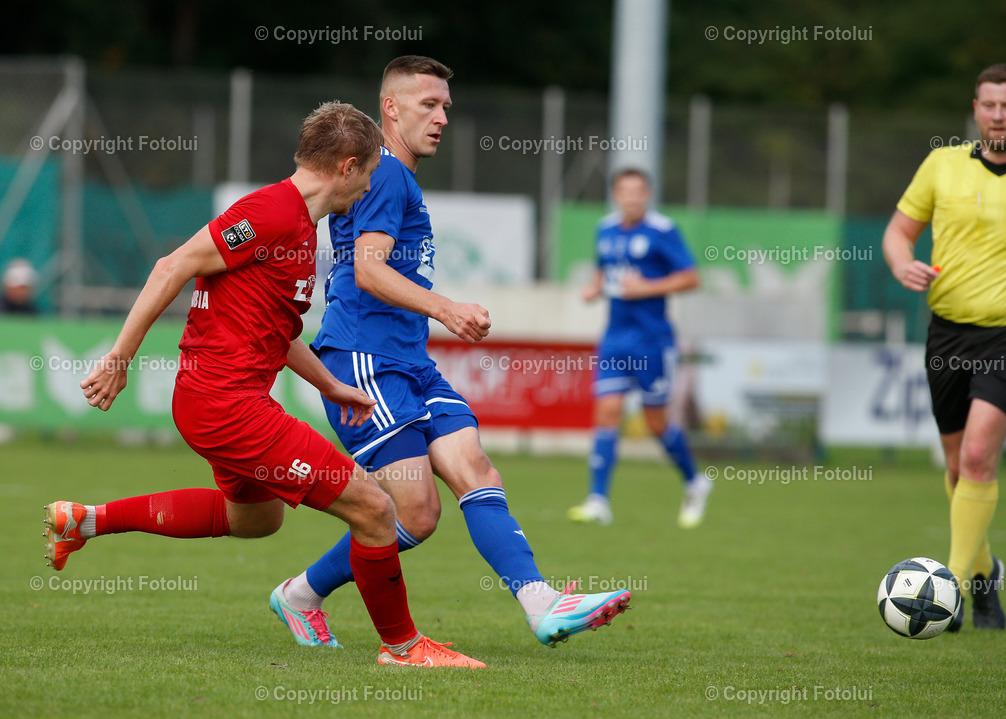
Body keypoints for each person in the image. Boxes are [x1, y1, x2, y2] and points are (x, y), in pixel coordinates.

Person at [43, 101, 484, 667]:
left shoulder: (300, 227)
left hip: (216, 403)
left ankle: (83, 521)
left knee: (255, 519)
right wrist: (119, 359)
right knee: (375, 508)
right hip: (226, 405)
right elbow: (170, 266)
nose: (373, 184)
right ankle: (403, 647)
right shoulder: (272, 212)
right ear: (348, 168)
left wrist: (331, 384)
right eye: (371, 172)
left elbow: (278, 330)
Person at [272, 56, 630, 649]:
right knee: (415, 512)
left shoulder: (392, 177)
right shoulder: (386, 174)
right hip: (365, 361)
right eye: (427, 105)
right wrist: (446, 307)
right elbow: (367, 271)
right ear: (390, 108)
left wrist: (433, 314)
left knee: (475, 469)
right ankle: (302, 594)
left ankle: (541, 603)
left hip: (410, 361)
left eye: (445, 108)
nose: (441, 118)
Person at [881, 63, 1006, 631]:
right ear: (975, 107)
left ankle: (952, 590)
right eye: (989, 105)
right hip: (947, 333)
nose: (998, 115)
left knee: (979, 457)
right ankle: (986, 573)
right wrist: (900, 265)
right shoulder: (942, 165)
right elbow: (898, 231)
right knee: (957, 467)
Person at [567, 169, 711, 528]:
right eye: (624, 191)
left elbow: (692, 278)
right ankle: (598, 499)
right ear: (615, 195)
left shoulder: (663, 231)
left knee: (656, 423)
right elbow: (604, 270)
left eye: (638, 191)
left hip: (653, 340)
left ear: (647, 195)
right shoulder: (605, 229)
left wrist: (646, 288)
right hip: (615, 338)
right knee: (607, 412)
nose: (631, 198)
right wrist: (593, 288)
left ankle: (695, 482)